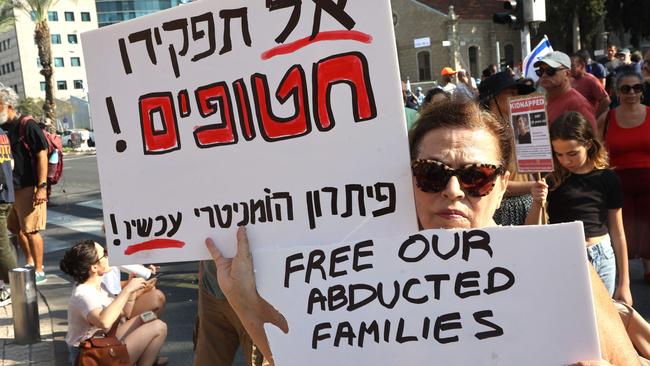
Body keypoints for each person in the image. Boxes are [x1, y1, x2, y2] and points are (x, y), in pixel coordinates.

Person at [205, 100, 643, 366]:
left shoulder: (557, 267)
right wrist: (247, 305)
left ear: (501, 185)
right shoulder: (367, 274)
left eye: (476, 176)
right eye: (431, 174)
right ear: (408, 180)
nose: (452, 191)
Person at [526, 112, 631, 305]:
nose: (566, 160)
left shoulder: (607, 179)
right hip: (564, 255)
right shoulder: (551, 181)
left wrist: (625, 282)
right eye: (559, 154)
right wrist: (536, 201)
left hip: (601, 256)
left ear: (588, 145)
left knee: (603, 325)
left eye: (572, 153)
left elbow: (618, 232)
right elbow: (533, 228)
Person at [60, 240, 168, 366]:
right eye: (104, 254)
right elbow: (104, 322)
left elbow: (124, 313)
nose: (109, 257)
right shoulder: (83, 293)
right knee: (158, 327)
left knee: (149, 317)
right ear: (94, 267)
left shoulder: (100, 286)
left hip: (103, 342)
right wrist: (127, 290)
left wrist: (132, 290)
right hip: (91, 355)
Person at [598, 68, 650, 283]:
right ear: (617, 92)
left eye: (637, 88)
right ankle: (622, 274)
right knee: (622, 228)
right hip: (618, 183)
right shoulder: (607, 118)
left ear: (642, 91)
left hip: (648, 181)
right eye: (625, 88)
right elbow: (596, 149)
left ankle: (649, 268)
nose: (631, 93)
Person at [0, 86, 48, 284]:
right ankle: (29, 262)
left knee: (31, 230)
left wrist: (42, 186)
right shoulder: (4, 129)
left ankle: (39, 269)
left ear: (8, 105)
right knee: (16, 230)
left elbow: (42, 154)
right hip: (11, 188)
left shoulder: (27, 124)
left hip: (29, 186)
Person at [478, 71, 536, 226]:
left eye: (517, 92)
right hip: (503, 210)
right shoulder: (486, 135)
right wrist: (533, 187)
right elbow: (493, 182)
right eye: (510, 92)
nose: (516, 96)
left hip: (529, 204)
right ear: (493, 98)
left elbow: (527, 171)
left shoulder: (517, 125)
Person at [534, 51, 597, 132]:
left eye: (550, 71)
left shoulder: (578, 105)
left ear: (567, 74)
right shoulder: (545, 101)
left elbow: (591, 141)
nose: (544, 75)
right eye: (541, 71)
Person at [102, 265, 167, 317]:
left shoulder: (104, 263)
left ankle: (146, 323)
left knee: (154, 294)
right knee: (159, 326)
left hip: (117, 301)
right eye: (104, 255)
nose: (106, 256)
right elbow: (105, 323)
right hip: (114, 309)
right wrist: (130, 287)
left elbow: (112, 285)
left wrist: (144, 273)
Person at [571, 52, 611, 118]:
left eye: (572, 66)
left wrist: (594, 116)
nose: (569, 69)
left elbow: (606, 100)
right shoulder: (571, 80)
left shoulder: (591, 80)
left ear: (582, 65)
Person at [0, 124, 14, 306]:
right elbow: (11, 163)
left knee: (2, 246)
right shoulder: (2, 133)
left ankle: (15, 289)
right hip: (6, 195)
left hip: (1, 197)